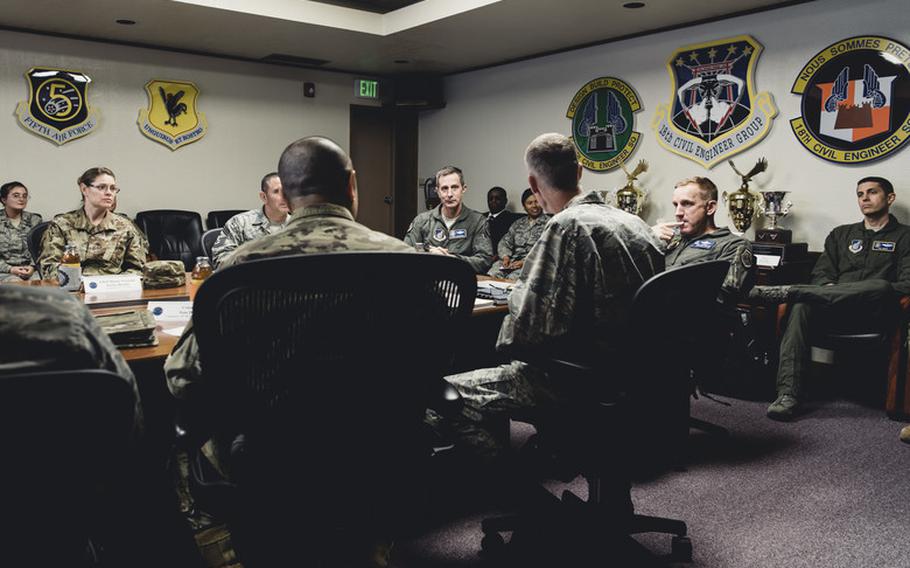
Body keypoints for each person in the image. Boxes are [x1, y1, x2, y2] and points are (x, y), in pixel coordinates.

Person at [165, 136, 411, 568]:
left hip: (267, 451)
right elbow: (426, 359)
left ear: (287, 193)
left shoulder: (244, 265)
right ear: (352, 185)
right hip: (374, 444)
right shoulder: (403, 259)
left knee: (181, 453)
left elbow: (182, 377)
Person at [437, 133, 663, 462]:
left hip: (573, 378)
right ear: (581, 172)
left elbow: (526, 329)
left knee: (441, 397)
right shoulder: (636, 224)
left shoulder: (565, 227)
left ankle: (513, 488)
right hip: (637, 375)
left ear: (532, 182)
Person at [759, 176, 910, 420]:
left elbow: (906, 284)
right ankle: (788, 395)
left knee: (881, 286)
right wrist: (829, 292)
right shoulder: (841, 235)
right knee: (800, 307)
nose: (865, 198)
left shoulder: (905, 237)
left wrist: (865, 291)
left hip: (875, 313)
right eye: (860, 194)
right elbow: (821, 274)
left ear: (889, 198)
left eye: (872, 192)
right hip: (834, 311)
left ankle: (793, 290)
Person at [652, 176, 754, 301]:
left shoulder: (733, 244)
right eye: (675, 205)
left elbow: (723, 295)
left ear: (710, 208)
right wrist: (649, 240)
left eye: (687, 204)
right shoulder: (669, 238)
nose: (677, 213)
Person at [37, 167, 147, 281]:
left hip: (113, 291)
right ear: (84, 189)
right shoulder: (61, 224)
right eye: (101, 187)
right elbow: (49, 268)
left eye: (113, 188)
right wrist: (80, 283)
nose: (109, 193)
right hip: (72, 292)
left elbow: (137, 269)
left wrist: (114, 284)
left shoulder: (125, 226)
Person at [403, 166, 493, 273]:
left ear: (463, 189)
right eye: (444, 188)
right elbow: (405, 254)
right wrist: (429, 255)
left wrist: (451, 260)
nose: (449, 194)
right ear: (437, 191)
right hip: (428, 280)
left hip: (460, 280)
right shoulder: (422, 220)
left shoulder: (478, 221)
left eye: (454, 187)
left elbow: (484, 261)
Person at [210, 172, 290, 267]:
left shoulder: (300, 223)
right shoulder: (240, 223)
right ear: (264, 197)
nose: (284, 197)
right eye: (276, 191)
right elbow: (220, 260)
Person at [488, 188, 549, 280]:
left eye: (537, 202)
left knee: (512, 278)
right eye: (529, 203)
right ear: (524, 207)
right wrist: (505, 257)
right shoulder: (518, 223)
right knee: (492, 274)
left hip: (533, 264)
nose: (534, 206)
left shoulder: (550, 224)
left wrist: (524, 262)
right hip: (512, 261)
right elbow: (505, 242)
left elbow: (547, 251)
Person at [0, 181, 42, 282]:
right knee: (16, 284)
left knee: (43, 284)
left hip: (31, 270)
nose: (21, 199)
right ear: (4, 199)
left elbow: (42, 249)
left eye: (24, 196)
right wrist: (10, 269)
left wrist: (32, 267)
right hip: (4, 271)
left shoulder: (35, 220)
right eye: (16, 196)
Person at [486, 186, 522, 255]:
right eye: (490, 199)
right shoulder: (480, 217)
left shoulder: (512, 219)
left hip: (497, 256)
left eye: (497, 198)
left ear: (505, 201)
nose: (493, 201)